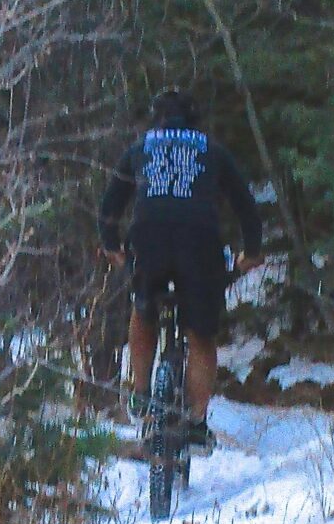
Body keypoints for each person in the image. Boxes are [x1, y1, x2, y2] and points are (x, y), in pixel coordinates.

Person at [98, 89, 263, 451]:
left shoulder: (140, 148)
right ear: (194, 119)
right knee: (201, 334)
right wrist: (251, 253)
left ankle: (141, 395)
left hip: (149, 238)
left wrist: (113, 246)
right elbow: (246, 206)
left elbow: (110, 205)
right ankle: (197, 421)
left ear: (157, 119)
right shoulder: (211, 150)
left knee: (143, 311)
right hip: (199, 243)